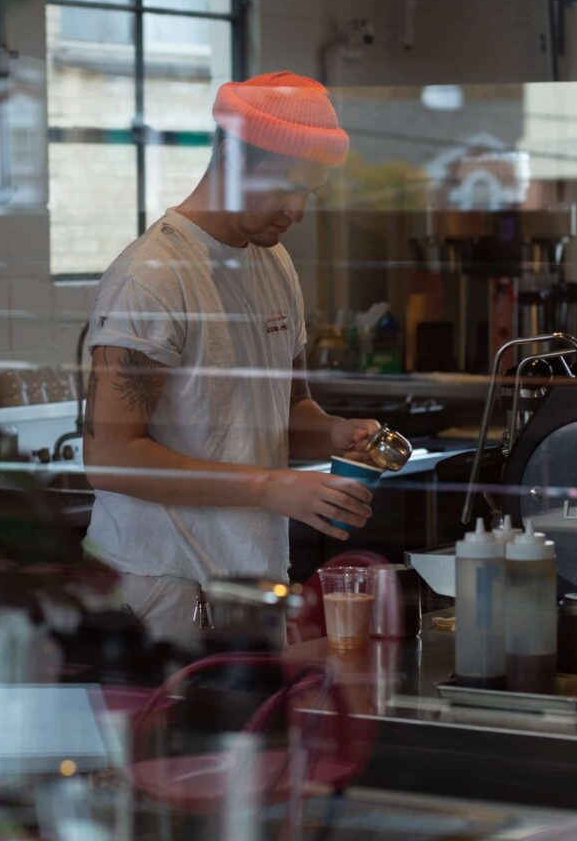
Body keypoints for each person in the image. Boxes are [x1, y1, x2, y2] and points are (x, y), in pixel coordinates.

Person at [82, 71, 379, 645]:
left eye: (310, 192)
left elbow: (285, 410)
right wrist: (270, 487)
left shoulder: (274, 263)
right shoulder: (153, 276)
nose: (297, 211)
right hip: (164, 591)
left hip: (252, 585)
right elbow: (110, 457)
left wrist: (334, 433)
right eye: (285, 186)